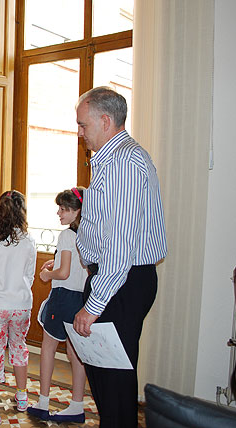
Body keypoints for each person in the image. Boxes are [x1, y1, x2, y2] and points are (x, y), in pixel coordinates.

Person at [72, 87, 167, 428]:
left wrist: (94, 304)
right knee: (108, 377)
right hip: (117, 280)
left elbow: (120, 243)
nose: (80, 132)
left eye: (83, 125)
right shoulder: (113, 159)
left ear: (106, 120)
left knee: (113, 381)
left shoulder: (124, 162)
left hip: (121, 282)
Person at [28, 187, 88, 423]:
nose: (59, 213)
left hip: (63, 297)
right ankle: (77, 405)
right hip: (82, 300)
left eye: (64, 209)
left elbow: (62, 273)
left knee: (48, 348)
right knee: (76, 354)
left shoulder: (66, 235)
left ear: (77, 210)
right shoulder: (89, 233)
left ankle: (43, 402)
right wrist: (58, 261)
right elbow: (76, 266)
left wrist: (46, 275)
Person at [0, 190, 36, 428]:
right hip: (21, 305)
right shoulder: (29, 240)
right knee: (20, 348)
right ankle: (22, 397)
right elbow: (29, 275)